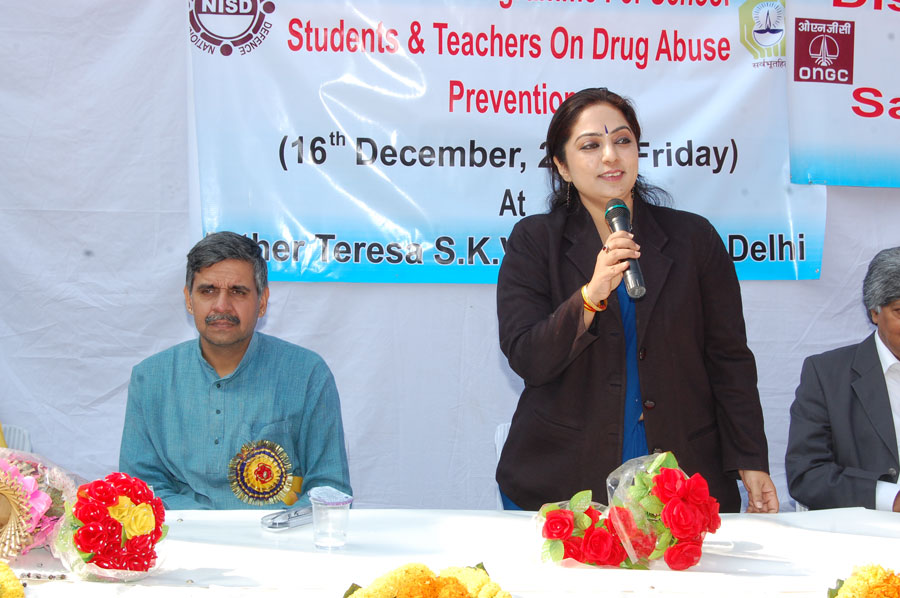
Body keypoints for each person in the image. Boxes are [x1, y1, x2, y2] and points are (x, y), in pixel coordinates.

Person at [495, 88, 777, 513]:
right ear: (562, 166)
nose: (611, 156)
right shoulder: (534, 241)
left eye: (623, 140)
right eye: (590, 145)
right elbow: (528, 357)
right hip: (564, 477)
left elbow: (729, 359)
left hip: (679, 470)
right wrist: (590, 296)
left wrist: (749, 458)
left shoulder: (693, 239)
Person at [119, 231, 351, 509]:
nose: (221, 305)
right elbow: (139, 488)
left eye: (238, 292)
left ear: (262, 301)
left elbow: (330, 489)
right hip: (184, 533)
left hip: (278, 534)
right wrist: (207, 526)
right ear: (189, 300)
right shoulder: (151, 378)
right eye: (208, 291)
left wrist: (272, 527)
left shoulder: (307, 374)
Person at [786, 247, 900, 511]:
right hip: (865, 531)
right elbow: (807, 474)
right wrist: (891, 499)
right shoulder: (826, 375)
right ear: (874, 312)